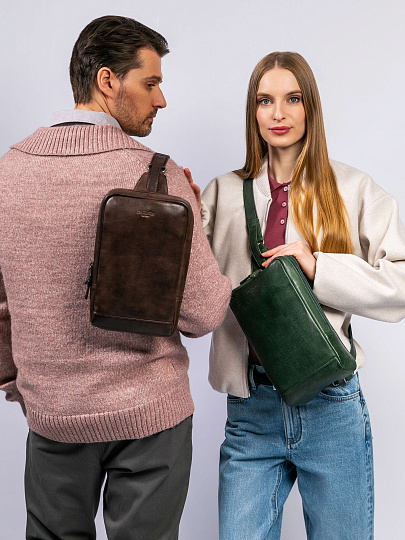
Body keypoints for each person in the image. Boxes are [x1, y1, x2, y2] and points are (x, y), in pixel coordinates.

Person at [0, 15, 231, 540]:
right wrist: (192, 220)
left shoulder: (7, 172)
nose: (161, 99)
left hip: (53, 416)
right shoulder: (160, 177)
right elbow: (203, 314)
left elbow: (1, 303)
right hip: (149, 419)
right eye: (151, 83)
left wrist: (26, 387)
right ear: (108, 80)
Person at [198, 52, 405, 539]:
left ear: (310, 105)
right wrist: (178, 212)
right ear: (252, 111)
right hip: (251, 409)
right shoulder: (221, 192)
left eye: (292, 99)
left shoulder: (353, 189)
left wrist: (320, 267)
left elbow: (400, 285)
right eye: (264, 100)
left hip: (331, 404)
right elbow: (187, 286)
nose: (278, 113)